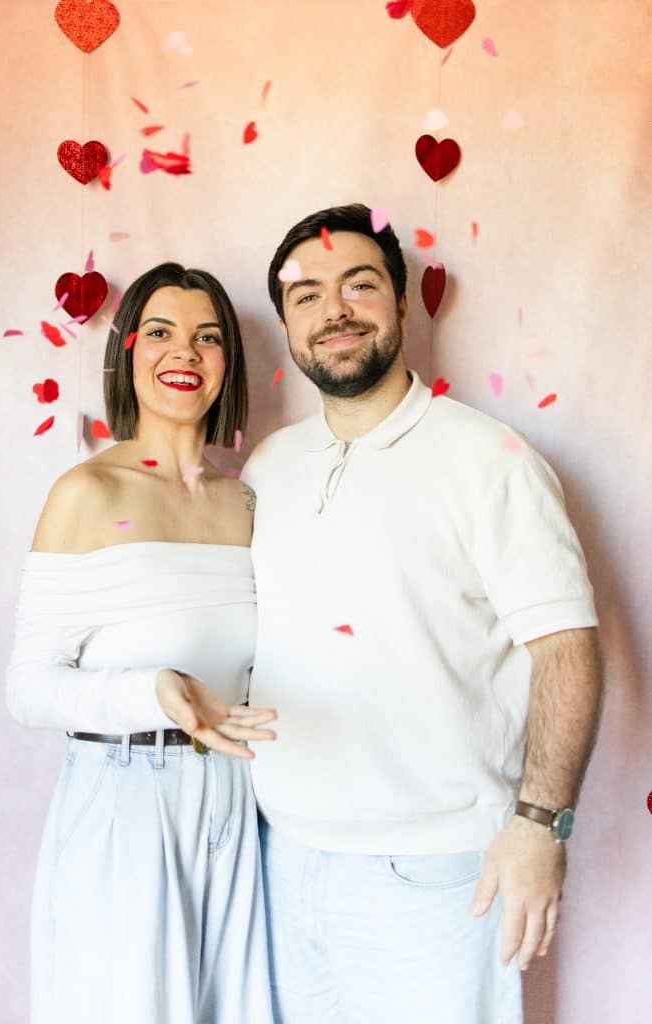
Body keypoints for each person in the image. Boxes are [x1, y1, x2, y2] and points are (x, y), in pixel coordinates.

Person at [241, 205, 603, 1023]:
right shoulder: (269, 466)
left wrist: (539, 824)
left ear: (401, 304)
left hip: (436, 873)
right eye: (306, 295)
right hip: (280, 858)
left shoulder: (488, 459)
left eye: (359, 285)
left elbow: (566, 648)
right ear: (287, 324)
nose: (333, 310)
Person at [6, 263, 277, 1024]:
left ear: (227, 363)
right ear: (126, 352)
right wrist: (149, 689)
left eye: (207, 337)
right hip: (124, 796)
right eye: (160, 332)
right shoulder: (86, 493)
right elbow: (27, 687)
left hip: (235, 803)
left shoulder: (247, 502)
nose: (184, 351)